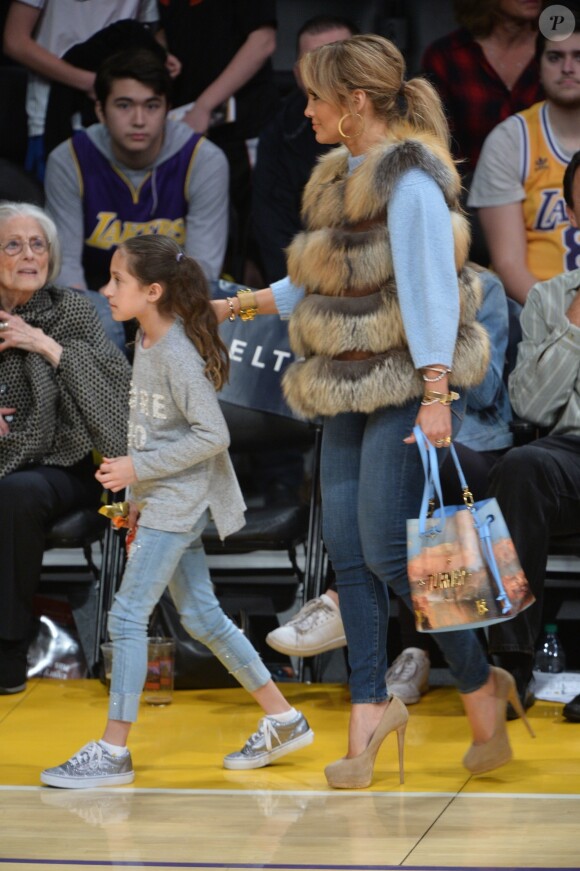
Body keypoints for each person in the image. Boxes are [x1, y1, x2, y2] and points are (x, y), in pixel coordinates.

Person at [213, 34, 534, 787]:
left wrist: (433, 391)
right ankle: (366, 720)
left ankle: (481, 682)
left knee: (390, 552)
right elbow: (327, 279)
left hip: (403, 382)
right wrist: (245, 302)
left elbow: (432, 287)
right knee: (350, 559)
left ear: (355, 102)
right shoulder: (342, 175)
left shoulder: (411, 182)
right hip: (345, 381)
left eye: (316, 97)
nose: (307, 110)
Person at [40, 235, 314, 789]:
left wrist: (137, 475)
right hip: (163, 499)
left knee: (125, 616)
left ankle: (114, 752)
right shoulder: (146, 336)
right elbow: (151, 433)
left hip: (180, 500)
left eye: (117, 281)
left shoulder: (177, 354)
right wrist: (136, 498)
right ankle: (284, 718)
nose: (105, 290)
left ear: (153, 290)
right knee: (203, 618)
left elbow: (213, 436)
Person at [265, 267, 514, 708]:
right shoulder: (354, 268)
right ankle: (383, 691)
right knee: (360, 527)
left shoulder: (480, 285)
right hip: (377, 421)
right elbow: (303, 288)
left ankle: (349, 608)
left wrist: (435, 378)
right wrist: (225, 308)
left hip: (465, 440)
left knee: (385, 537)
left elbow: (488, 385)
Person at [0, 201, 131, 695]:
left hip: (66, 464)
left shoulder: (70, 309)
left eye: (38, 245)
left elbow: (114, 404)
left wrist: (44, 344)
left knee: (16, 493)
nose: (29, 255)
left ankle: (7, 649)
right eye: (13, 244)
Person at [484, 148, 580, 719]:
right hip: (568, 454)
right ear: (571, 216)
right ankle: (511, 667)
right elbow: (531, 404)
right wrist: (575, 322)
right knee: (521, 466)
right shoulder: (548, 299)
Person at [44, 47, 229, 295]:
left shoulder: (204, 160)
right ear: (100, 111)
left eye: (152, 106)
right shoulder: (69, 159)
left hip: (173, 300)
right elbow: (65, 268)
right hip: (95, 297)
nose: (139, 120)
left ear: (167, 109)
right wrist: (88, 319)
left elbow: (201, 271)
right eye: (124, 105)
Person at [157, 0, 279, 279]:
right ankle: (205, 313)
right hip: (180, 119)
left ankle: (250, 319)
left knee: (252, 243)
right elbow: (163, 26)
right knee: (195, 236)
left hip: (241, 125)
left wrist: (205, 105)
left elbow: (263, 41)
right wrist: (159, 51)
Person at [468, 11, 580, 304]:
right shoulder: (511, 140)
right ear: (539, 67)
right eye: (555, 57)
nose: (568, 68)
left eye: (578, 56)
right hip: (535, 312)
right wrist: (563, 322)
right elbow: (509, 266)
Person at [1, 0, 178, 181]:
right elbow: (15, 41)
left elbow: (143, 30)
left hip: (123, 117)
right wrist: (88, 81)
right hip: (55, 111)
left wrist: (159, 55)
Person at [252, 14, 357, 284]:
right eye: (313, 62)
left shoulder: (401, 127)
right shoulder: (280, 133)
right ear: (297, 73)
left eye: (336, 59)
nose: (325, 73)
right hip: (307, 287)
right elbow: (273, 231)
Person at [422, 0, 542, 178]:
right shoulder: (448, 56)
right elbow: (439, 148)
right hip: (470, 194)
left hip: (555, 192)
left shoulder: (564, 50)